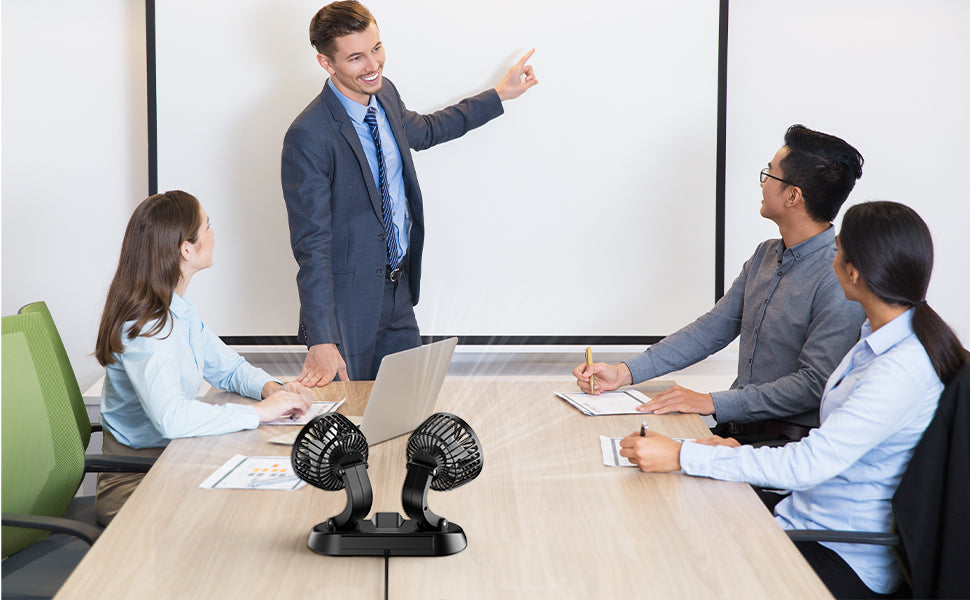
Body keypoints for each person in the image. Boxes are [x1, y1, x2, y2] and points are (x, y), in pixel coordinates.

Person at [617, 201, 968, 597]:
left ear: (851, 272)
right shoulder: (878, 339)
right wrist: (728, 454)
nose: (830, 257)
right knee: (674, 512)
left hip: (837, 547)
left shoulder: (899, 369)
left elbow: (809, 465)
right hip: (803, 514)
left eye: (837, 249)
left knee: (676, 555)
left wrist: (682, 454)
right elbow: (828, 449)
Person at [281, 1, 537, 384]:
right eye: (356, 58)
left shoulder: (385, 98)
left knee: (405, 414)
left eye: (377, 49)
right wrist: (321, 338)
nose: (373, 65)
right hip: (346, 313)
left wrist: (500, 95)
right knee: (347, 434)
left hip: (398, 296)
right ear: (326, 63)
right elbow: (312, 243)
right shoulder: (309, 135)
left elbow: (428, 129)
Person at [575, 125, 866, 442]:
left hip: (783, 446)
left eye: (769, 175)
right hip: (732, 433)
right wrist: (624, 372)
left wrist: (711, 401)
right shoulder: (766, 255)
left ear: (793, 195)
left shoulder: (837, 276)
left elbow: (815, 384)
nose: (763, 183)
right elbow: (713, 328)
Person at [94, 191, 313, 525]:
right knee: (243, 515)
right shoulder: (144, 328)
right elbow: (171, 417)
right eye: (208, 227)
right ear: (186, 248)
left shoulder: (177, 310)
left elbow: (228, 368)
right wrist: (258, 414)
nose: (214, 235)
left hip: (174, 461)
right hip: (138, 481)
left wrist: (273, 390)